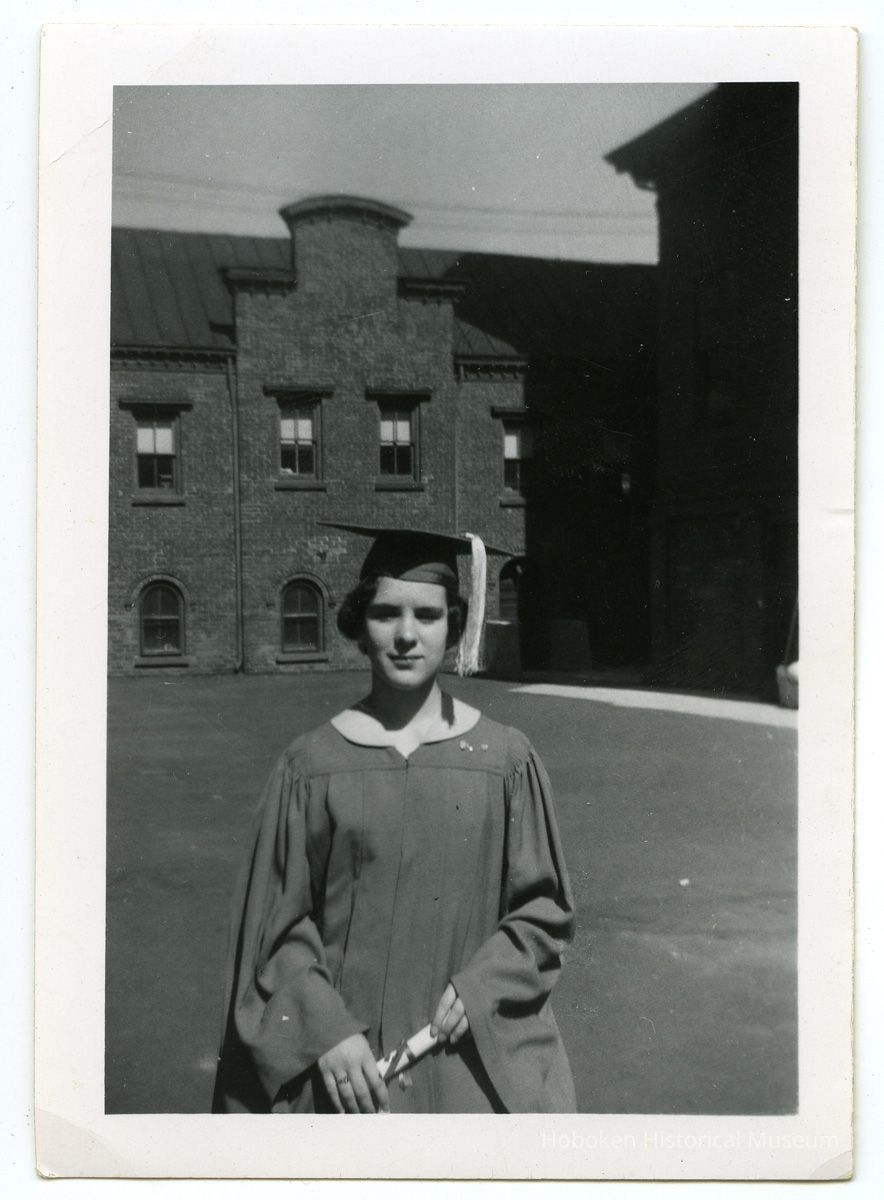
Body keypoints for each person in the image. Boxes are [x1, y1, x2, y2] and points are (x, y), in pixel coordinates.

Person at [212, 525, 576, 1114]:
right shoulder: (311, 766)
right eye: (386, 614)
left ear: (455, 627)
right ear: (360, 625)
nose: (407, 635)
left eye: (428, 616)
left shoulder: (505, 760)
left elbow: (543, 912)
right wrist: (323, 1028)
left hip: (469, 1066)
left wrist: (483, 984)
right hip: (345, 1074)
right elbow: (273, 926)